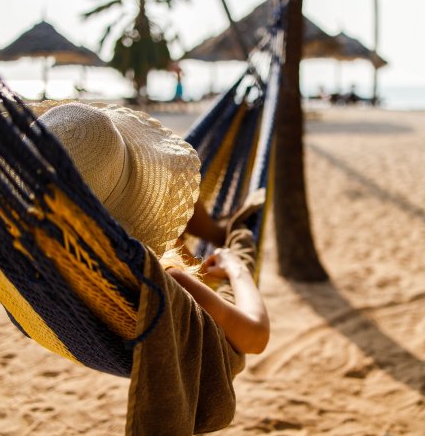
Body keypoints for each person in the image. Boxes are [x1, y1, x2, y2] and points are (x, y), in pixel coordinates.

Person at [36, 102, 270, 356]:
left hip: (78, 250)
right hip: (184, 283)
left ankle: (215, 232)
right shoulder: (165, 280)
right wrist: (236, 267)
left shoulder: (38, 259)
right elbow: (256, 337)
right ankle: (217, 234)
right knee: (177, 195)